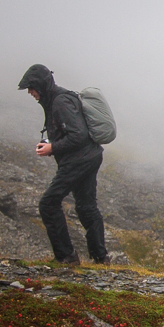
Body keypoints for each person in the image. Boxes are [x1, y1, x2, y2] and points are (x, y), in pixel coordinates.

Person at [17, 64, 110, 265]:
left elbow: (78, 135)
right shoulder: (58, 99)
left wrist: (52, 148)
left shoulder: (59, 102)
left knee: (48, 203)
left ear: (40, 85)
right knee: (86, 207)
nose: (30, 93)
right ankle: (101, 259)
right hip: (89, 156)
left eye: (31, 88)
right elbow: (73, 134)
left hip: (79, 160)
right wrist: (52, 144)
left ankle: (66, 257)